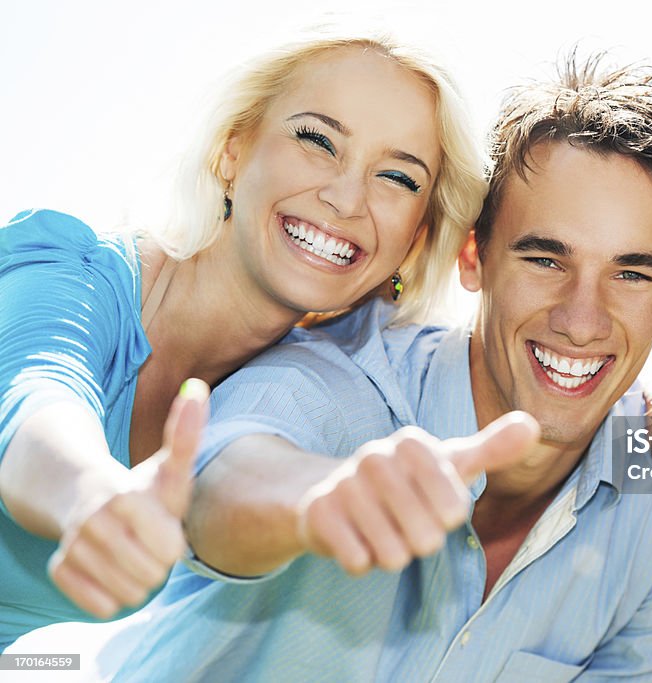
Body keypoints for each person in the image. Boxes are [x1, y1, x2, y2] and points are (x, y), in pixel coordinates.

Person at [104, 55, 652, 681]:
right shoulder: (335, 375)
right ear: (473, 257)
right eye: (545, 260)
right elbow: (225, 479)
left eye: (630, 274)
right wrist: (317, 500)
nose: (581, 319)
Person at [0, 32, 485, 648]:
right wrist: (90, 497)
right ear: (232, 152)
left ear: (415, 240)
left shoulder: (331, 388)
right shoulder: (68, 270)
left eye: (396, 177)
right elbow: (36, 396)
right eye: (317, 141)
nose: (345, 196)